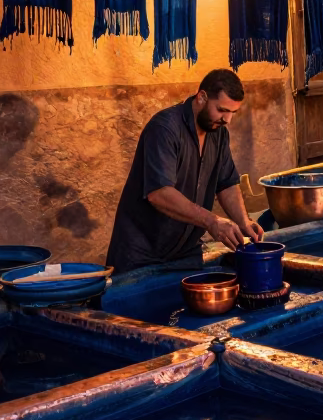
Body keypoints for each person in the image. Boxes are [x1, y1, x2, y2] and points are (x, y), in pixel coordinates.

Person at [105, 69, 263, 274]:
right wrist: (211, 221)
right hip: (141, 254)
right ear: (202, 97)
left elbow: (226, 182)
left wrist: (243, 222)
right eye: (222, 110)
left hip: (185, 253)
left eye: (233, 113)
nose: (227, 120)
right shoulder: (164, 129)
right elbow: (159, 193)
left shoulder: (218, 132)